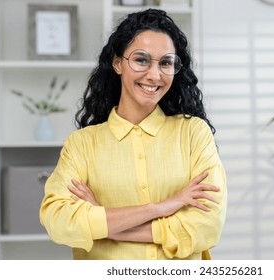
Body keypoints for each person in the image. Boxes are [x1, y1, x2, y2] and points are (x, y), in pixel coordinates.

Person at [39, 8, 227, 260]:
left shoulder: (193, 133)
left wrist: (108, 225)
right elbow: (59, 220)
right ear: (118, 63)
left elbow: (206, 226)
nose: (154, 75)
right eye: (141, 60)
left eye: (166, 62)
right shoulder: (82, 144)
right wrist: (161, 208)